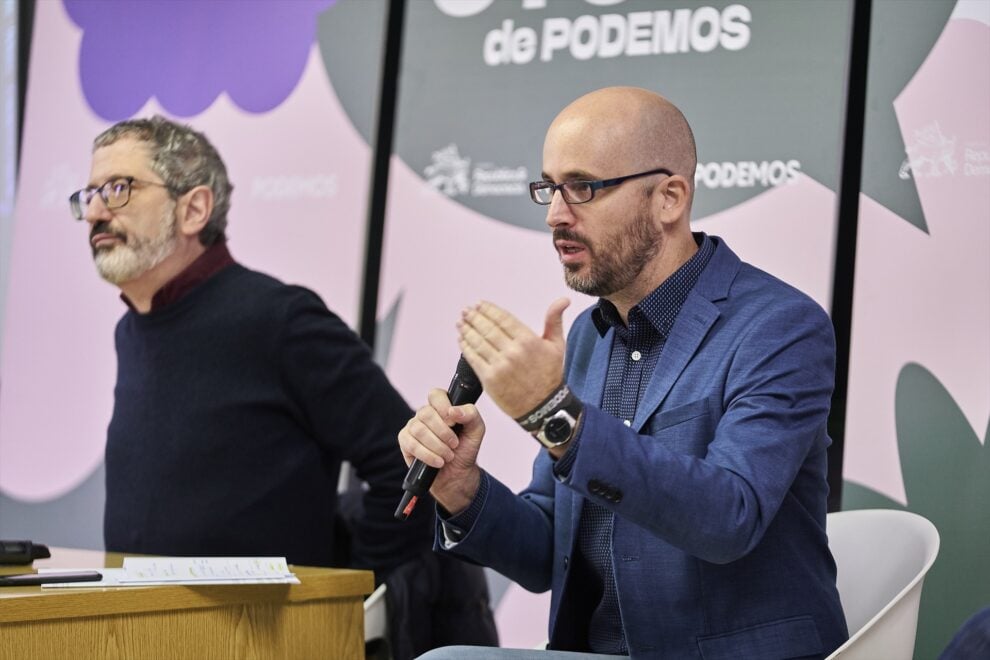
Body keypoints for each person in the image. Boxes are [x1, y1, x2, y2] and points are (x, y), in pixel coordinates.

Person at [399, 87, 849, 659]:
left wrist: (552, 414)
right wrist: (462, 491)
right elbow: (549, 555)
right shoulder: (589, 334)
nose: (555, 215)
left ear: (668, 197)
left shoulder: (780, 327)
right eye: (549, 188)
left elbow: (729, 518)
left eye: (583, 188)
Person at [71, 115, 434, 577]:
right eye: (89, 195)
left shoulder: (280, 319)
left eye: (118, 189)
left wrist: (343, 599)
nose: (96, 213)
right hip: (142, 630)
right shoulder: (132, 328)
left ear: (194, 209)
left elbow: (406, 466)